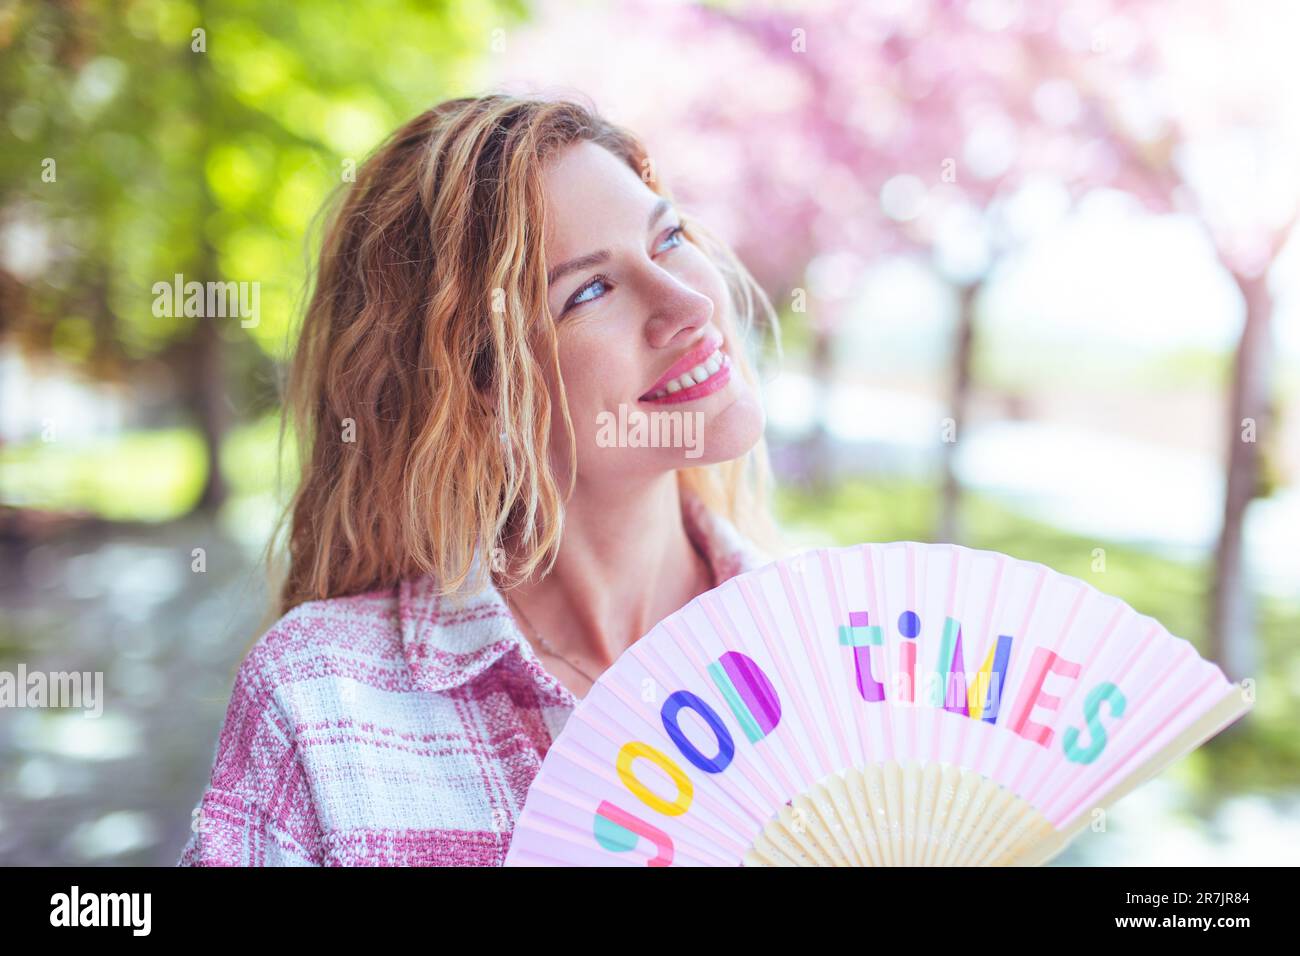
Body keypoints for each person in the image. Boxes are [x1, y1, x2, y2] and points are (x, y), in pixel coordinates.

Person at [178, 92, 787, 866]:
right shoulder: (323, 704)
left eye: (667, 238)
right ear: (474, 389)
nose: (690, 301)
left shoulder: (839, 657)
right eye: (589, 291)